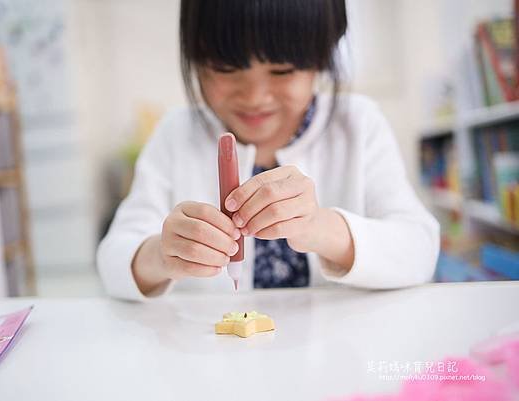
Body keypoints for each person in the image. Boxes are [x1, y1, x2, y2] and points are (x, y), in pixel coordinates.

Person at [97, 0, 440, 301]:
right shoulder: (176, 134)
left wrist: (321, 228)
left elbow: (419, 249)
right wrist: (161, 255)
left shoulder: (358, 124)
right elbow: (113, 260)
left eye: (282, 71)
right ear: (196, 59)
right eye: (226, 69)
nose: (255, 97)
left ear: (322, 59)